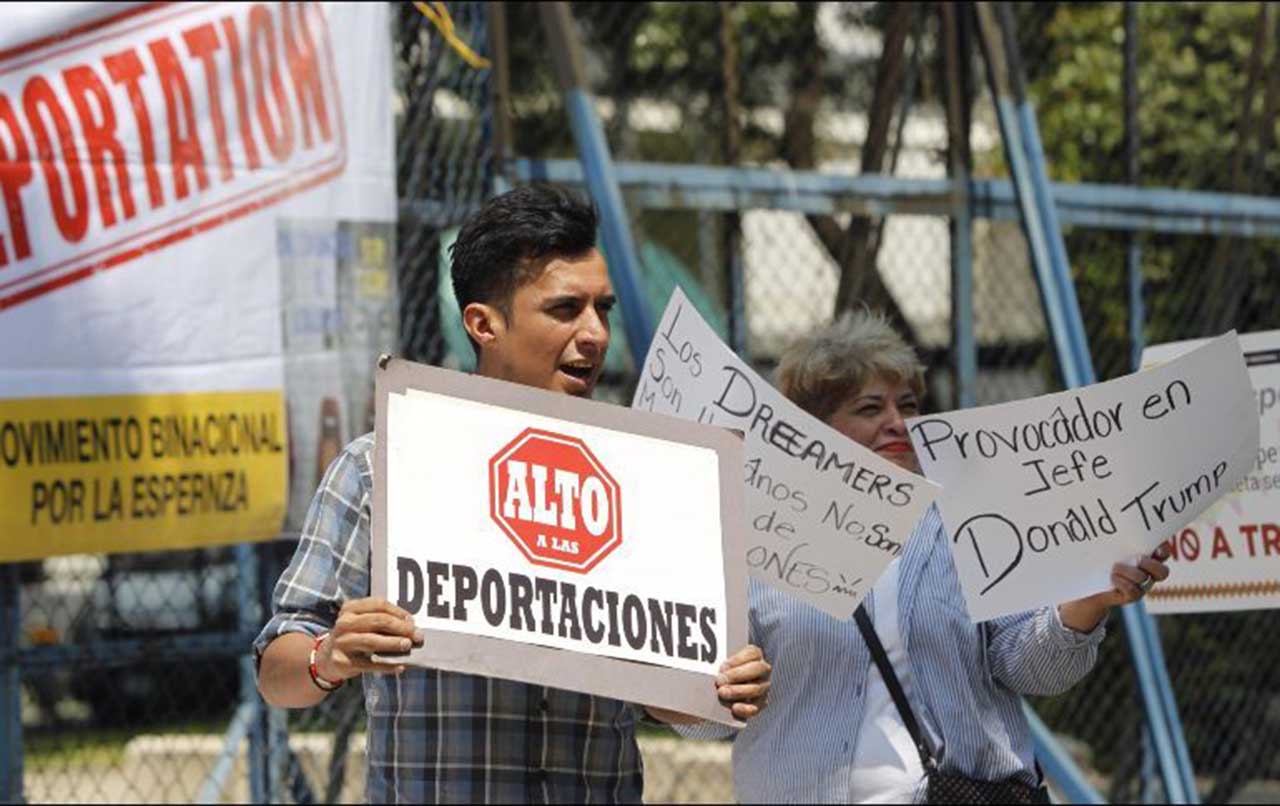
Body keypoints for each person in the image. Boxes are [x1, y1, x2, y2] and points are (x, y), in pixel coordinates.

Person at [255, 184, 771, 804]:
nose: (596, 334)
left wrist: (721, 692)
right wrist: (330, 654)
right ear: (484, 324)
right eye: (564, 309)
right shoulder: (384, 467)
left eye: (602, 309)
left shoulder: (648, 480)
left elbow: (693, 718)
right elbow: (276, 673)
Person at [677, 309, 1170, 803]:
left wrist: (1086, 603)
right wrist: (714, 691)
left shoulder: (966, 526)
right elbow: (703, 727)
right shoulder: (753, 541)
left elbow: (1035, 670)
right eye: (870, 409)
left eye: (908, 405)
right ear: (812, 428)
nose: (897, 423)